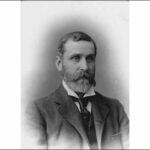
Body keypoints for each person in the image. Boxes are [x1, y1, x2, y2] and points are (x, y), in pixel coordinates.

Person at [26, 31, 129, 149]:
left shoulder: (116, 109)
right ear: (59, 64)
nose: (85, 67)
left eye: (90, 59)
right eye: (76, 58)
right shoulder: (38, 111)